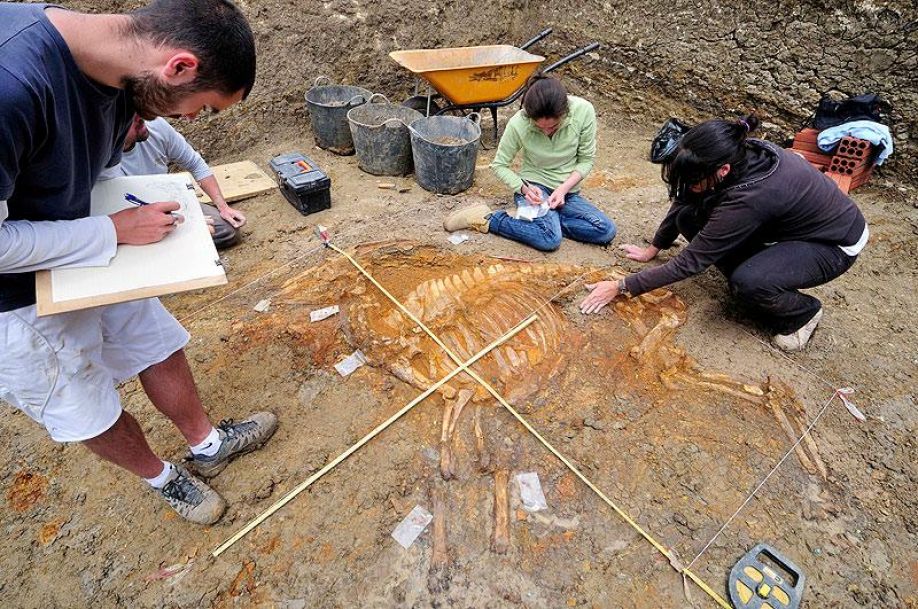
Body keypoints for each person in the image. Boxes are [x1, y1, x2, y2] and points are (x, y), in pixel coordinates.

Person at [0, 0, 277, 525]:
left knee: (155, 341)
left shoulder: (116, 77)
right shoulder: (11, 87)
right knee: (80, 397)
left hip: (87, 247)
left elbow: (101, 172)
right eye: (204, 108)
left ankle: (208, 445)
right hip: (14, 298)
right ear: (180, 67)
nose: (191, 120)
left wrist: (140, 222)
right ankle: (163, 478)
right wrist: (111, 231)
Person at [580, 116, 868, 351]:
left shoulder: (751, 197)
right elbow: (685, 199)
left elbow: (691, 262)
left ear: (722, 170)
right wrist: (654, 247)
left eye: (694, 182)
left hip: (833, 244)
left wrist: (622, 286)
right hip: (787, 226)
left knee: (750, 282)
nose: (688, 187)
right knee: (688, 219)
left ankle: (802, 313)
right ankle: (755, 275)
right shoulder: (732, 153)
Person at [443, 75, 616, 252]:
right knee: (550, 240)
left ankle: (535, 222)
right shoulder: (519, 123)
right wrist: (524, 188)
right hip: (535, 188)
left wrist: (563, 190)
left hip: (567, 191)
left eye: (553, 126)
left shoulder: (583, 111)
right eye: (540, 127)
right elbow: (499, 165)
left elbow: (586, 160)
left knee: (605, 230)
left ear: (564, 113)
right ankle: (487, 218)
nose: (546, 131)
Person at [100, 114, 247, 249]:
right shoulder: (103, 162)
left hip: (168, 201)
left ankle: (178, 244)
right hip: (134, 217)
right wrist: (188, 224)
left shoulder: (156, 126)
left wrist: (223, 207)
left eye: (137, 112)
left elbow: (195, 164)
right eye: (130, 118)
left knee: (226, 230)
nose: (141, 119)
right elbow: (119, 211)